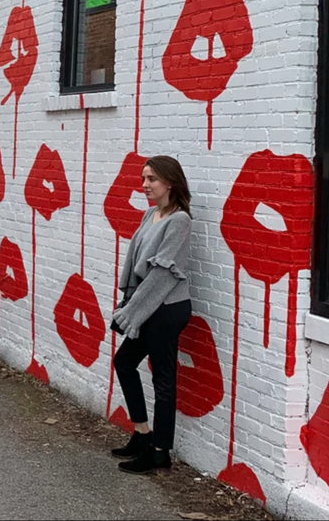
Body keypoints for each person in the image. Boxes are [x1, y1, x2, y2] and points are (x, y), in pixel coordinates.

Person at [110, 155, 193, 475]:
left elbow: (162, 275)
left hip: (167, 309)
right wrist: (128, 304)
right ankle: (143, 435)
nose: (144, 185)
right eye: (143, 178)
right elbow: (136, 263)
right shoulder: (150, 215)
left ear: (170, 182)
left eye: (151, 179)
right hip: (144, 305)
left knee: (163, 380)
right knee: (124, 362)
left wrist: (132, 312)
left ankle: (160, 452)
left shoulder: (180, 221)